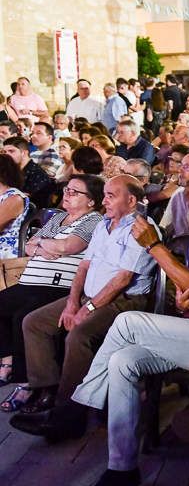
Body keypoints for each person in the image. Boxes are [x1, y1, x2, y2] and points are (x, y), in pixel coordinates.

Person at [39, 172, 189, 486]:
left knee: (127, 321)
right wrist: (186, 304)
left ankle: (80, 405)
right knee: (124, 361)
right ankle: (122, 468)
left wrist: (155, 246)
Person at [10, 176, 157, 442]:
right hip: (91, 293)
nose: (104, 201)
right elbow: (84, 267)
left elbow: (122, 280)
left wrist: (87, 308)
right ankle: (48, 390)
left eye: (111, 195)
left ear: (132, 200)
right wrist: (71, 301)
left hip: (123, 300)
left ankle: (66, 418)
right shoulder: (102, 225)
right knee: (34, 322)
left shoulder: (141, 228)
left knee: (78, 334)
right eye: (105, 195)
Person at [0, 175, 103, 412]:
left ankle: (27, 383)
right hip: (30, 282)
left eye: (75, 192)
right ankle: (7, 362)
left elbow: (69, 247)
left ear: (91, 201)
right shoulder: (58, 217)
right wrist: (47, 245)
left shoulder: (93, 219)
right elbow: (29, 245)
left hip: (56, 287)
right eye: (67, 189)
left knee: (23, 317)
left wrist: (43, 245)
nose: (67, 194)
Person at [2, 135, 52, 208]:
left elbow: (24, 200)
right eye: (4, 152)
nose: (6, 155)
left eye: (11, 151)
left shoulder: (38, 174)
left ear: (24, 153)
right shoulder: (9, 170)